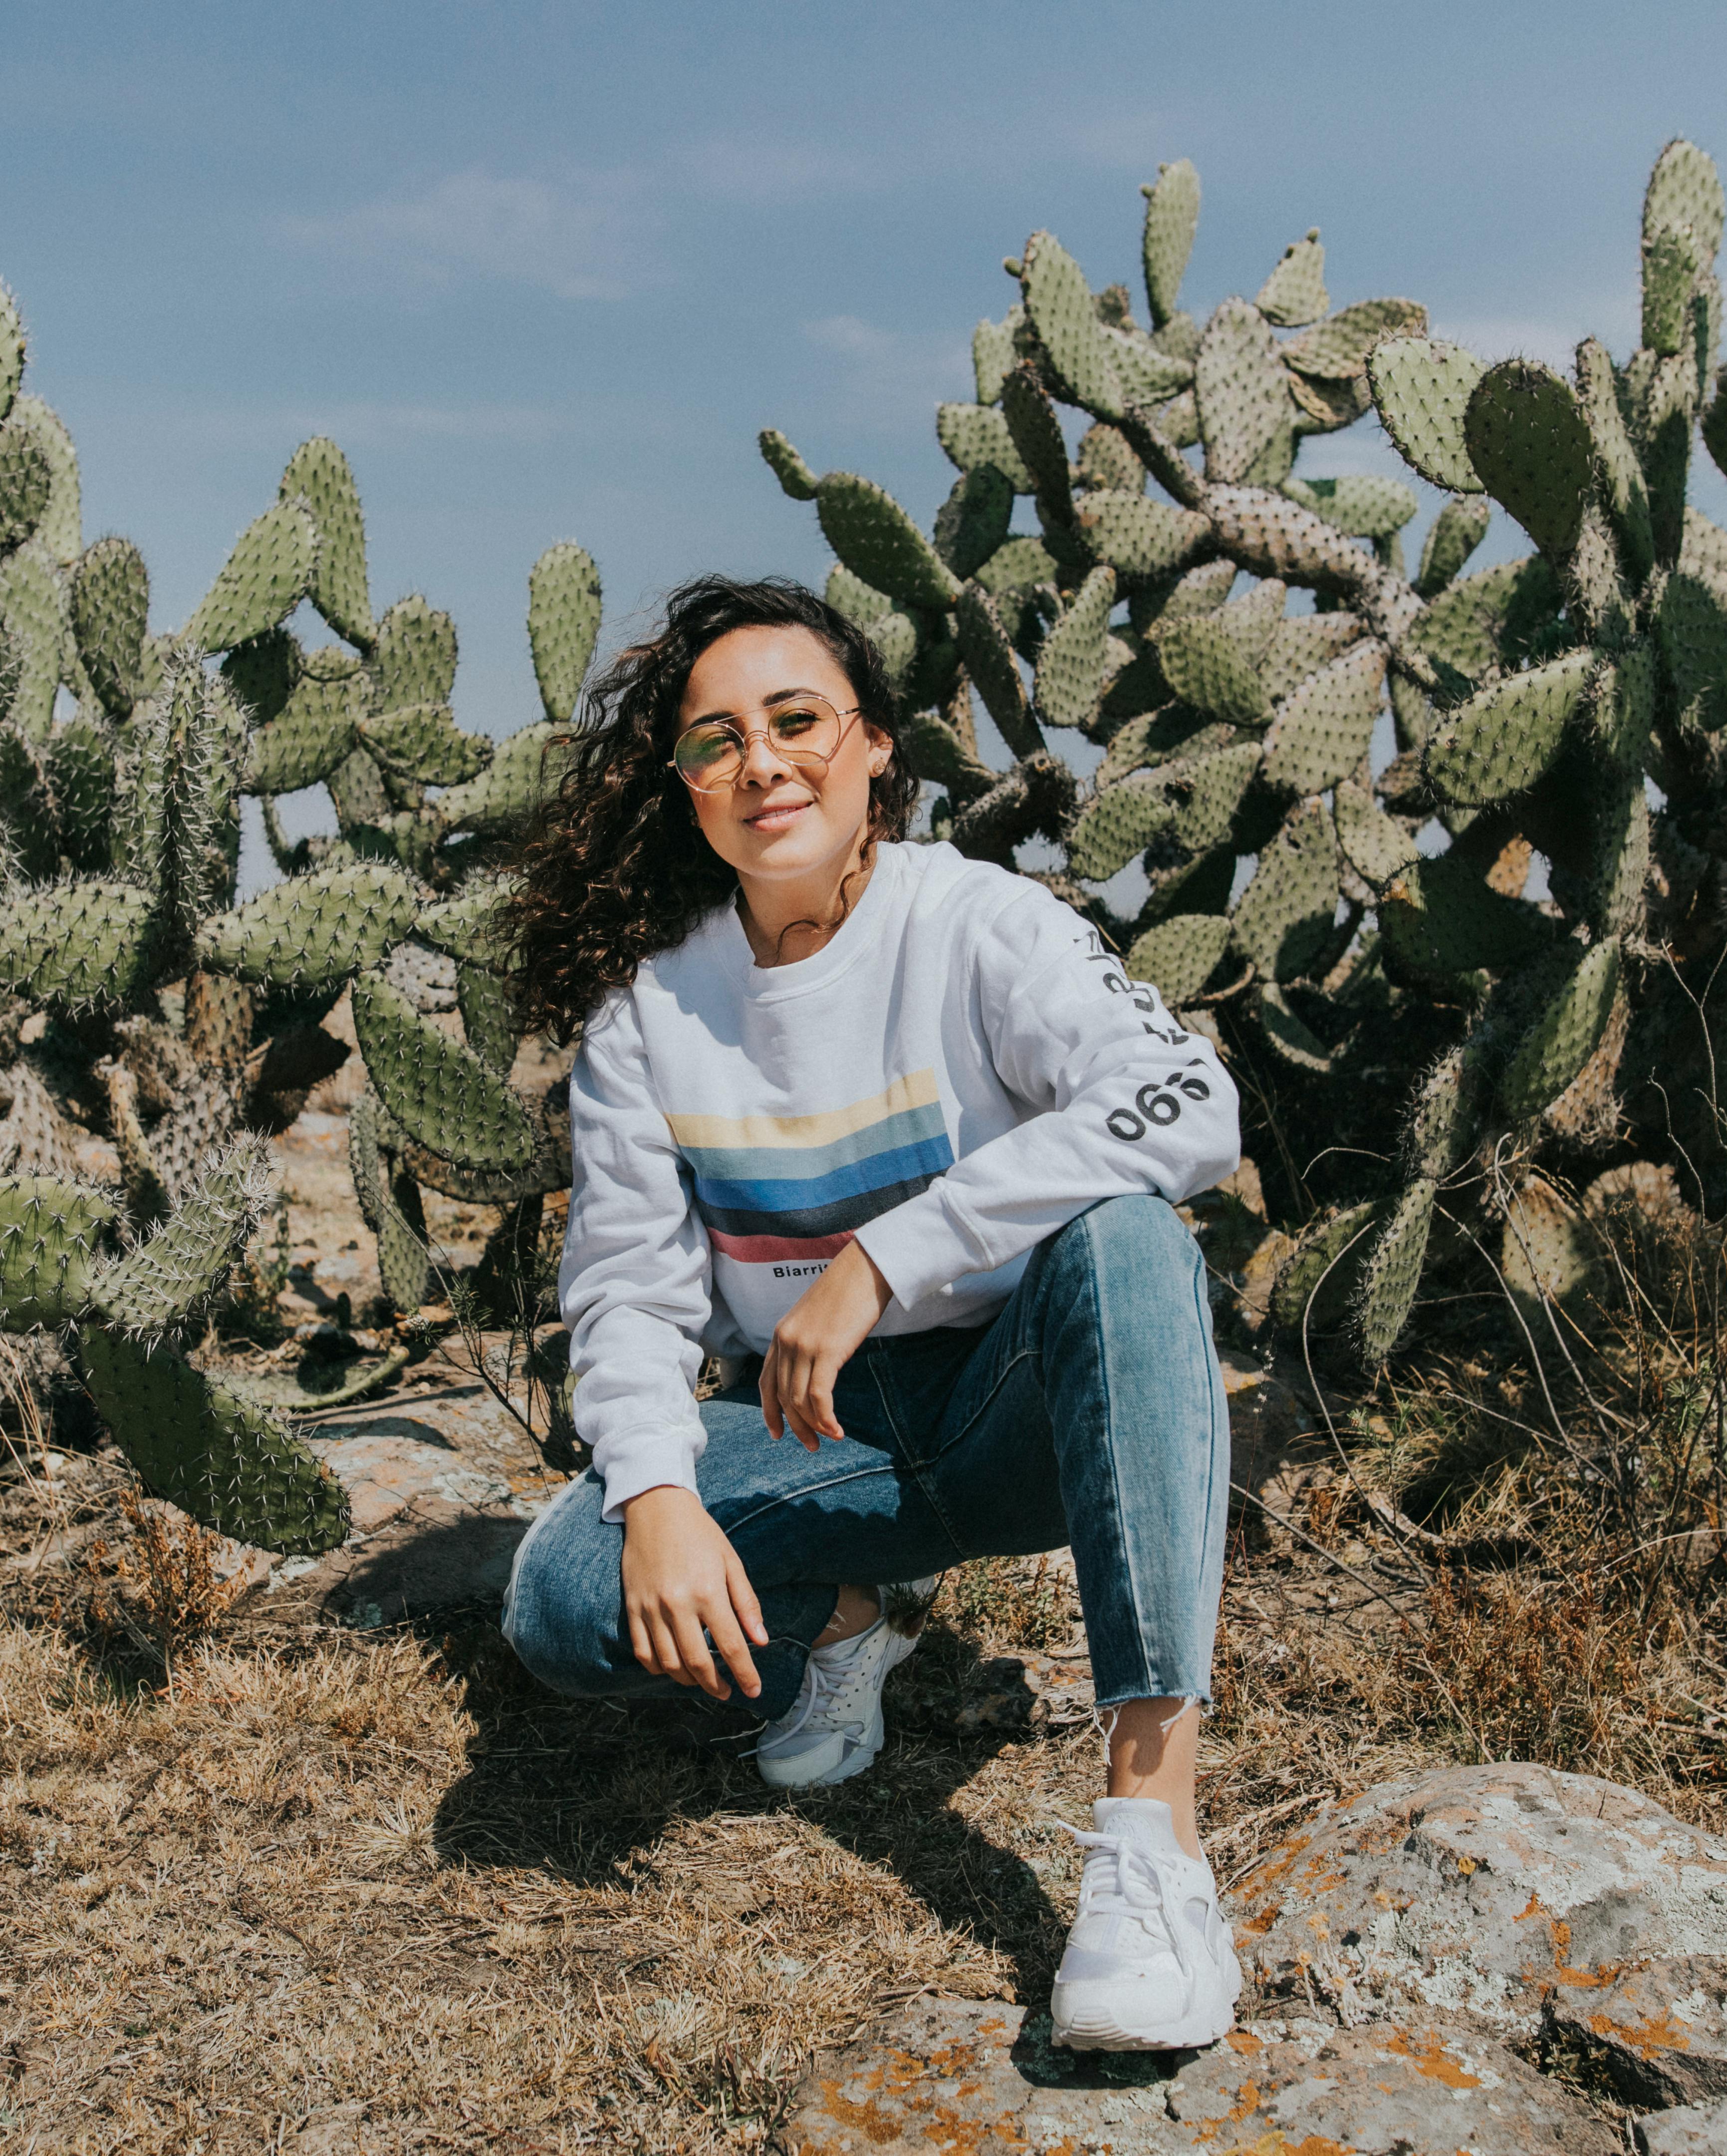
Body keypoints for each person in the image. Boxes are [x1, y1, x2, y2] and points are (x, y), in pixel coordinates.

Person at [494, 575, 1246, 2052]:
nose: (763, 763)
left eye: (798, 721)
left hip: (1024, 1402)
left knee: (1131, 1239)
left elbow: (1189, 1103)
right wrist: (653, 1489)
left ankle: (1153, 1848)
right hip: (821, 1436)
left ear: (875, 746)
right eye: (717, 742)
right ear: (686, 788)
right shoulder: (651, 1014)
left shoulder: (974, 921)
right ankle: (851, 1616)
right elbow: (629, 1290)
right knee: (566, 1595)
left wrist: (888, 1257)